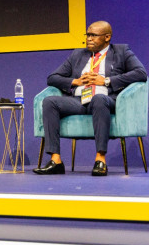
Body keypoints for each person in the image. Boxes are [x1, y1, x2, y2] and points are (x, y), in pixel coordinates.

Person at [34, 21, 147, 176]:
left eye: (93, 35)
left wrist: (106, 81)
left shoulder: (121, 51)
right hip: (79, 100)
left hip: (105, 99)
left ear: (107, 37)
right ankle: (56, 161)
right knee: (49, 102)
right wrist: (76, 81)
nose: (89, 38)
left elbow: (141, 73)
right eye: (87, 35)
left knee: (99, 99)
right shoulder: (78, 54)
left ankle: (100, 160)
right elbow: (52, 78)